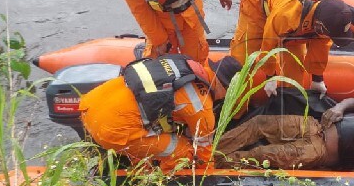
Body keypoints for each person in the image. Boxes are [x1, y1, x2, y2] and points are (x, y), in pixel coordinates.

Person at [79, 54, 240, 170]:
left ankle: (138, 158)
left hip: (90, 106)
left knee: (164, 130)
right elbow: (204, 152)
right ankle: (162, 180)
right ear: (225, 86)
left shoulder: (184, 65)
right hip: (112, 130)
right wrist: (208, 178)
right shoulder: (202, 107)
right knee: (185, 151)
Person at [230, 0, 353, 98]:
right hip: (258, 1)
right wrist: (270, 76)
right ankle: (236, 111)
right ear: (318, 26)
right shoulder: (288, 14)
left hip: (294, 16)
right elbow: (268, 43)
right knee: (243, 60)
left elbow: (322, 44)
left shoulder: (329, 14)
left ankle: (290, 103)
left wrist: (317, 79)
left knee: (294, 71)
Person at [215, 95, 354, 171]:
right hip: (315, 125)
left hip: (319, 150)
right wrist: (340, 107)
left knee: (259, 155)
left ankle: (209, 164)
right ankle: (208, 151)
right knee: (259, 123)